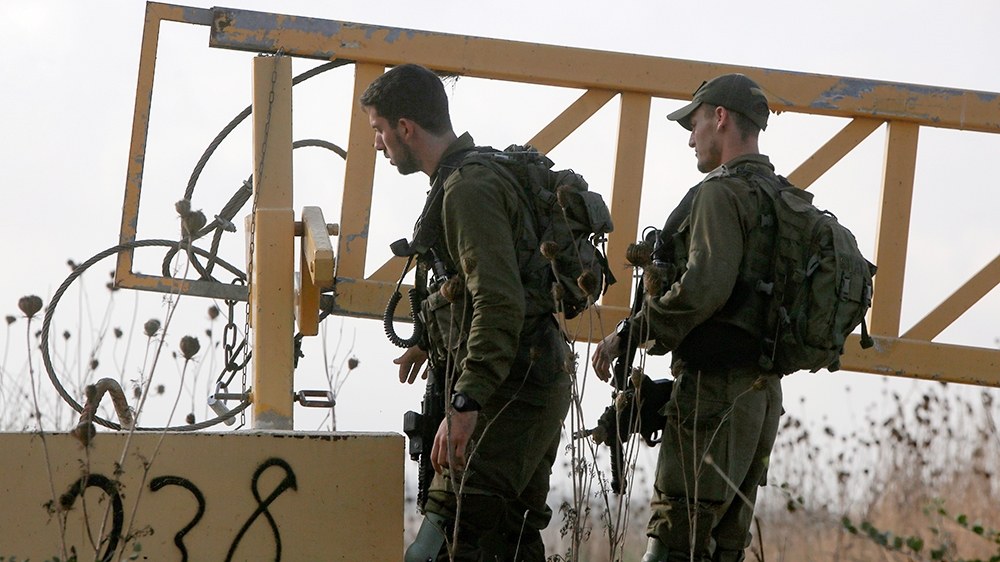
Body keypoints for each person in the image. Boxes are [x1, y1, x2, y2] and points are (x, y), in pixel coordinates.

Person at [359, 63, 571, 562]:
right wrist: (429, 339)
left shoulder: (467, 190)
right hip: (524, 381)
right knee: (507, 543)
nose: (378, 144)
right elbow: (482, 287)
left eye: (379, 131)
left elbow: (499, 301)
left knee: (441, 546)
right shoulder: (472, 175)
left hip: (507, 394)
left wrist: (465, 403)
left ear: (405, 129)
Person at [592, 74, 784, 562]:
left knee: (673, 547)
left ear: (720, 117)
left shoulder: (720, 194)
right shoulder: (778, 196)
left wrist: (629, 335)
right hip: (759, 397)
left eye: (694, 122)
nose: (690, 136)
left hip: (713, 396)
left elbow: (704, 289)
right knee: (721, 550)